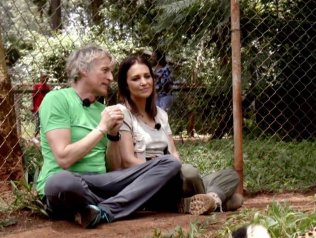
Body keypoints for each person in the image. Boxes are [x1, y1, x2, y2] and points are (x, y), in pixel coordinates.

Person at [36, 44, 183, 228]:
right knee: (59, 181)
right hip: (70, 183)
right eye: (105, 70)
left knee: (169, 163)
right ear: (83, 69)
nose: (111, 78)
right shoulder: (57, 99)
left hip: (103, 184)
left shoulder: (104, 110)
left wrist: (113, 136)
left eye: (111, 72)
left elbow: (114, 168)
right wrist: (102, 129)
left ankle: (103, 211)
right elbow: (64, 158)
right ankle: (115, 204)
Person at [107, 53, 242, 215]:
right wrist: (162, 169)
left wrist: (173, 168)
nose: (143, 82)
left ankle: (204, 201)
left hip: (173, 178)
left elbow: (174, 153)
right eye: (136, 79)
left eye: (147, 76)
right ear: (125, 85)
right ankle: (212, 200)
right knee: (193, 175)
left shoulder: (161, 115)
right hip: (148, 182)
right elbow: (128, 161)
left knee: (230, 175)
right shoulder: (123, 113)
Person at [32, 72, 51, 139]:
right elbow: (33, 97)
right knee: (38, 122)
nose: (46, 78)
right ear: (40, 78)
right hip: (38, 107)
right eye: (44, 77)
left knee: (45, 122)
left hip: (45, 107)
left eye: (47, 77)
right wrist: (33, 106)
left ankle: (42, 137)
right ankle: (34, 137)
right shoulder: (37, 86)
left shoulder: (48, 87)